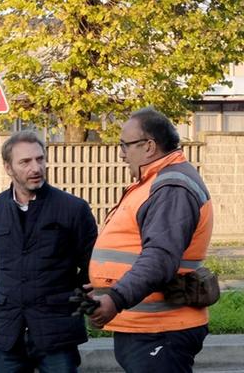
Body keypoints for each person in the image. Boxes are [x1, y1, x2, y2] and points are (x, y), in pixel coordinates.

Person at [86, 107, 213, 372]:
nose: (121, 153)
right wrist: (103, 287)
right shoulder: (154, 181)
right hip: (148, 327)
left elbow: (159, 259)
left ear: (149, 146)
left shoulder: (172, 187)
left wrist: (116, 298)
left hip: (162, 330)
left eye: (125, 145)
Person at [0, 131, 97, 372]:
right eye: (25, 162)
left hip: (57, 330)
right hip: (7, 331)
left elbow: (91, 267)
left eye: (40, 159)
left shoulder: (73, 209)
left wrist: (64, 300)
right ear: (8, 167)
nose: (36, 167)